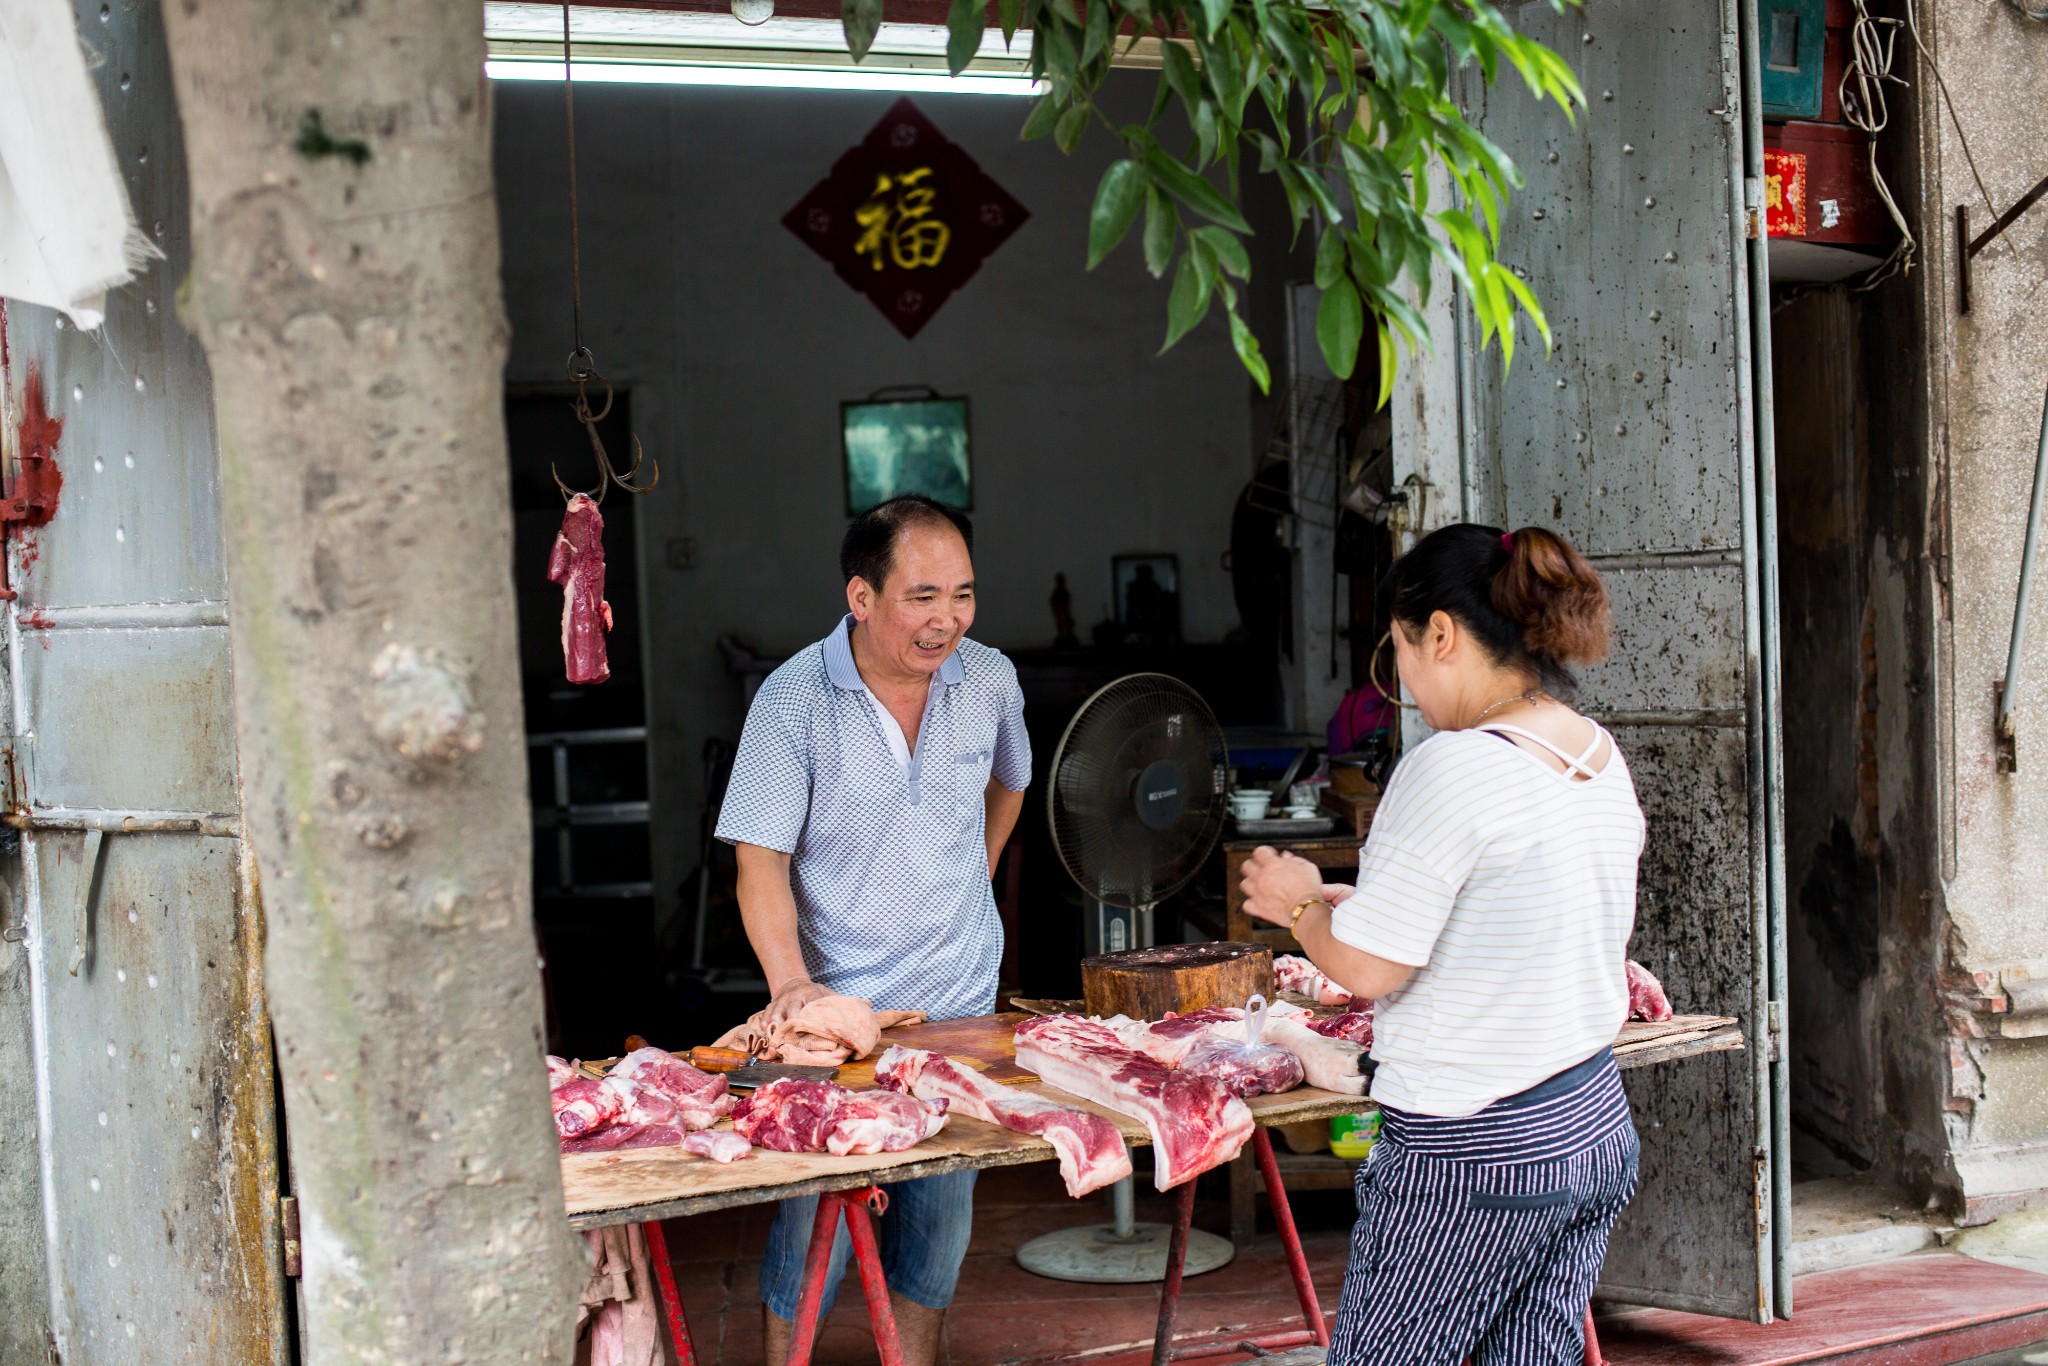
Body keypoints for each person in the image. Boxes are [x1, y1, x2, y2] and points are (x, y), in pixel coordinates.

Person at [1239, 523, 1645, 1366]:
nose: (1407, 686)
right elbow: (1512, 911)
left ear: (1443, 635)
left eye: (1400, 655)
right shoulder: (1596, 755)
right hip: (1590, 1125)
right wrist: (1361, 903)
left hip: (1475, 1155)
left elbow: (1367, 968)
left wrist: (1299, 907)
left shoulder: (1453, 765)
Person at [714, 493, 1031, 1366]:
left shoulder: (991, 679)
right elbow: (759, 862)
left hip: (958, 1005)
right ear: (861, 597)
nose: (947, 621)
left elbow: (1011, 783)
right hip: (835, 1027)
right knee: (809, 1230)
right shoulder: (793, 703)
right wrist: (791, 989)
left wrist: (977, 869)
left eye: (962, 595)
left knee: (935, 1237)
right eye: (921, 597)